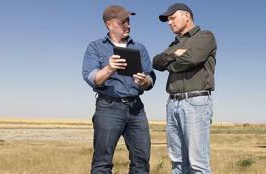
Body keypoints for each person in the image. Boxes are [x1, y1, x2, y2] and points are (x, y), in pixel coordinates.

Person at [82, 5, 156, 174]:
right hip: (108, 107)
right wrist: (109, 68)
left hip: (136, 109)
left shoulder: (140, 47)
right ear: (109, 24)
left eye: (129, 21)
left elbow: (151, 79)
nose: (128, 25)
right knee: (102, 162)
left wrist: (144, 81)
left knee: (141, 160)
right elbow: (91, 78)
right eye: (123, 22)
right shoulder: (95, 47)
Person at [153, 3, 217, 174]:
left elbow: (191, 59)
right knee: (178, 163)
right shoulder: (175, 44)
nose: (169, 22)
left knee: (198, 164)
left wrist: (171, 65)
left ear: (187, 16)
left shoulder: (205, 36)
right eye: (168, 19)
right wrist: (173, 54)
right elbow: (156, 62)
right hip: (172, 103)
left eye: (172, 18)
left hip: (195, 102)